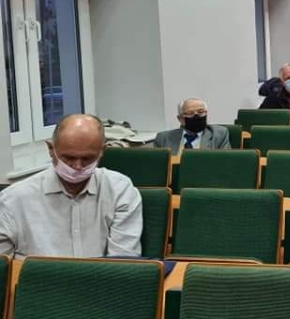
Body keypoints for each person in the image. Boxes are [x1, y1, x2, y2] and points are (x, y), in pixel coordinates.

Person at [0, 114, 142, 258]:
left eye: (87, 158)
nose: (77, 166)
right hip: (35, 274)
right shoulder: (13, 200)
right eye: (69, 158)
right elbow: (3, 265)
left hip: (102, 273)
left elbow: (124, 260)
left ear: (102, 151)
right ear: (51, 149)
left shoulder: (119, 190)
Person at [154, 98, 231, 154]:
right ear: (181, 119)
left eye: (200, 112)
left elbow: (225, 162)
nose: (196, 116)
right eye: (190, 113)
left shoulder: (219, 134)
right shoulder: (163, 138)